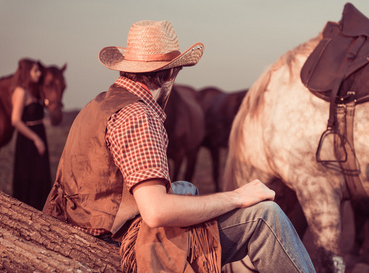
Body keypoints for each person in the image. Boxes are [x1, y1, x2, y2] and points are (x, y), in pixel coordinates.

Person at [43, 20, 315, 272]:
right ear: (171, 73)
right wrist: (237, 196)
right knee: (265, 217)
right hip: (120, 241)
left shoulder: (97, 104)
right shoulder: (139, 116)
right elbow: (156, 211)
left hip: (85, 222)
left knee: (186, 188)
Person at [11, 58, 51, 211]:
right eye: (35, 70)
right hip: (28, 140)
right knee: (30, 179)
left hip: (40, 134)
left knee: (41, 178)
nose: (39, 73)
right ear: (27, 72)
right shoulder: (21, 91)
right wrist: (36, 139)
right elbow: (15, 120)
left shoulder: (36, 91)